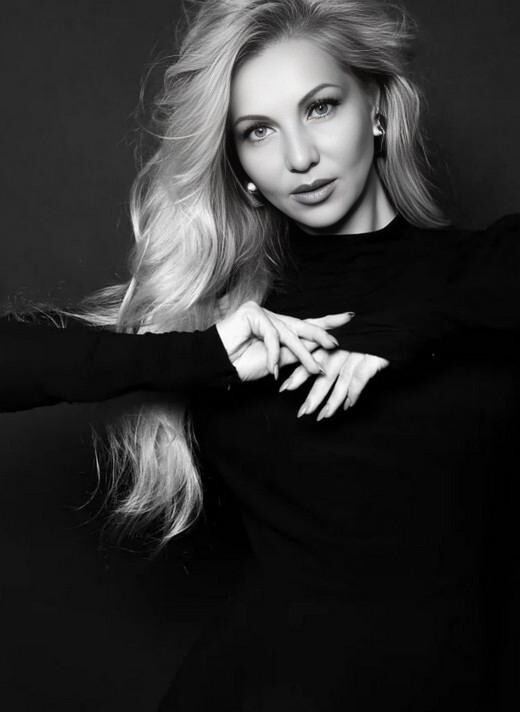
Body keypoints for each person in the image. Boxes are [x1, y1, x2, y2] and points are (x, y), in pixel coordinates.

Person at [1, 0, 519, 710]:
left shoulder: (480, 276)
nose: (299, 158)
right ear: (239, 163)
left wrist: (413, 320)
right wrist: (201, 355)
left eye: (321, 107)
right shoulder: (235, 318)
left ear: (377, 109)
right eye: (259, 131)